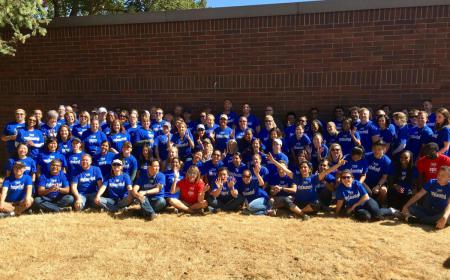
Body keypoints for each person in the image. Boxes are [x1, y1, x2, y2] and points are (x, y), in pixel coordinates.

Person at [364, 141, 392, 206]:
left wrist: (378, 186)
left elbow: (384, 177)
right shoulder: (366, 156)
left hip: (378, 183)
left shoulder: (387, 161)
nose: (376, 151)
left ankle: (380, 205)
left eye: (379, 149)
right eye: (375, 149)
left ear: (384, 150)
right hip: (365, 182)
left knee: (384, 190)